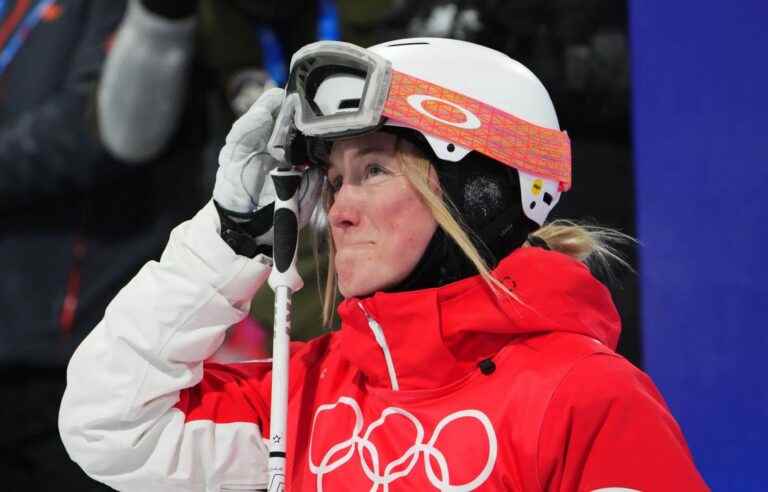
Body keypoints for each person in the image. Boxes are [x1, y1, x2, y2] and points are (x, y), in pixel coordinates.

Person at [60, 38, 708, 491]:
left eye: (373, 170)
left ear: (477, 193)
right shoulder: (314, 392)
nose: (336, 210)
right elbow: (111, 426)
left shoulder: (584, 397)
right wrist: (230, 235)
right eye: (334, 180)